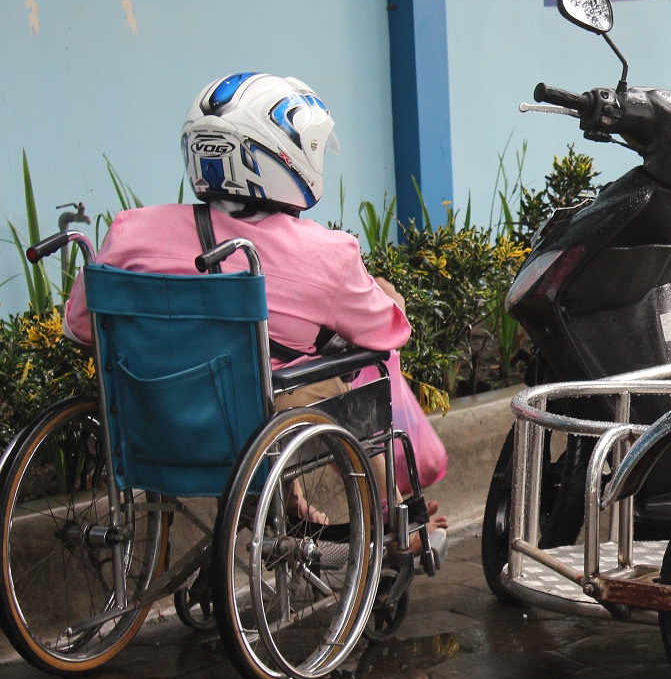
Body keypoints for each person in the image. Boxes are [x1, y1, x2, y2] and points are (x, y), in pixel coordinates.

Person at [64, 72, 447, 542]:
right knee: (358, 365)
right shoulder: (327, 254)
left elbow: (81, 326)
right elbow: (389, 335)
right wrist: (386, 298)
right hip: (257, 430)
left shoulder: (130, 231)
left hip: (148, 421)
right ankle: (394, 513)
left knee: (265, 370)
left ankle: (293, 506)